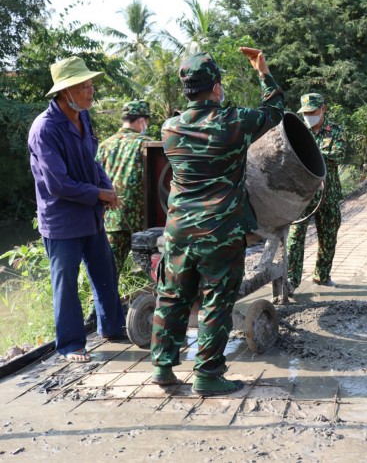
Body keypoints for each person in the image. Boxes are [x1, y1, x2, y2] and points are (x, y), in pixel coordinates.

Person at [150, 48, 285, 395]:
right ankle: (208, 375)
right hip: (220, 230)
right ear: (215, 87)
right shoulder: (234, 121)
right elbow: (274, 111)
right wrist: (263, 72)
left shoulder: (169, 128)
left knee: (173, 296)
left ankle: (163, 367)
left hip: (179, 229)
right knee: (215, 301)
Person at [28, 56, 127, 362]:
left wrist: (107, 189)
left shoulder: (83, 117)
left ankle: (112, 328)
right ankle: (71, 345)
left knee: (105, 272)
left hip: (90, 215)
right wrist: (98, 194)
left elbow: (92, 162)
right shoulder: (45, 129)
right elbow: (58, 184)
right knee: (66, 284)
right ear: (65, 91)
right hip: (62, 221)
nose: (90, 90)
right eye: (83, 86)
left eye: (90, 84)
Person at [287, 93, 346, 290]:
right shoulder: (298, 132)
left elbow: (338, 155)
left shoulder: (335, 131)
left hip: (328, 193)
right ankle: (291, 281)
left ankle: (322, 276)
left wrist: (311, 154)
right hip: (303, 195)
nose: (308, 116)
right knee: (294, 239)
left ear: (323, 109)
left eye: (312, 112)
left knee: (328, 236)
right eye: (305, 113)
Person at [96, 100, 154, 274]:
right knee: (156, 272)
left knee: (108, 275)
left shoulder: (104, 146)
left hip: (111, 220)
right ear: (142, 120)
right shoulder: (147, 144)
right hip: (142, 222)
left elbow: (94, 180)